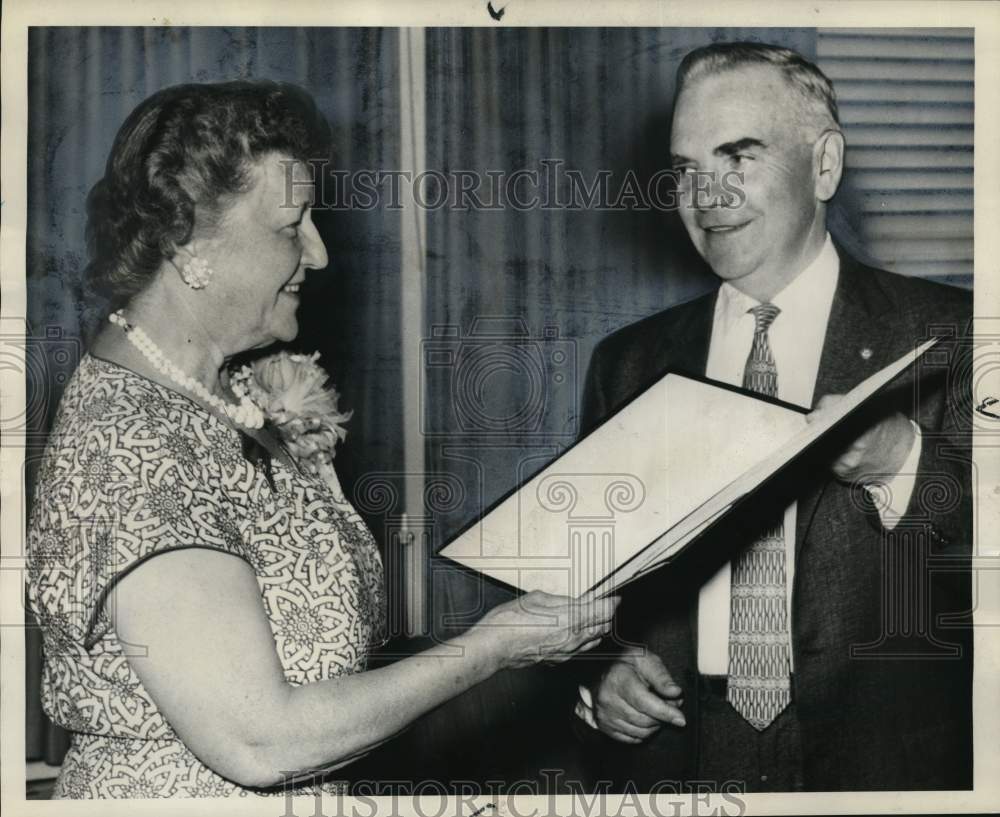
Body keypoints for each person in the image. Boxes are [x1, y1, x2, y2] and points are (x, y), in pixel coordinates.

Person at [25, 80, 619, 799]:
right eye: (291, 224)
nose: (320, 252)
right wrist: (493, 647)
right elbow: (259, 738)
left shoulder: (223, 396)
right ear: (187, 243)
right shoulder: (129, 444)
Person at [574, 43, 972, 791]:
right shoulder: (626, 364)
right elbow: (582, 581)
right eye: (687, 168)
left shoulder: (951, 336)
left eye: (739, 157)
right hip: (682, 762)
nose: (706, 196)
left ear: (824, 166)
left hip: (883, 771)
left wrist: (901, 462)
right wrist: (604, 665)